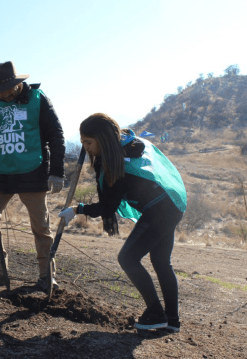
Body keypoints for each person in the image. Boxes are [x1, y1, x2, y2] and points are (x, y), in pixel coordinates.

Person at [59, 113, 187, 332]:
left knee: (127, 257)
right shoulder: (128, 144)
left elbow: (107, 207)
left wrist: (77, 209)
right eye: (83, 143)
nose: (86, 148)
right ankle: (172, 320)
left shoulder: (114, 164)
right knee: (161, 261)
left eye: (89, 143)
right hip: (171, 205)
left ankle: (156, 314)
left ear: (103, 139)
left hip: (158, 210)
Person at [0, 61, 65, 290]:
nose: (5, 92)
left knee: (41, 226)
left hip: (33, 172)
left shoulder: (38, 99)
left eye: (8, 87)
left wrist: (56, 172)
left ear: (17, 83)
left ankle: (47, 276)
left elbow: (56, 135)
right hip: (0, 174)